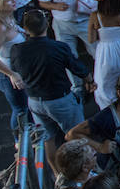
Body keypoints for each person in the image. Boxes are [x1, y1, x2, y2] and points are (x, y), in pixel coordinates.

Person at [11, 10, 92, 158]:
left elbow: (15, 69)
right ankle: (83, 170)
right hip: (60, 100)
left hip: (35, 102)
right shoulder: (59, 47)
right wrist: (90, 80)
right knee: (77, 135)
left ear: (26, 29)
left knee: (48, 139)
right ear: (47, 25)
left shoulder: (17, 50)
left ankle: (56, 173)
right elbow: (77, 68)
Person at [0, 0, 28, 132]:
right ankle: (19, 142)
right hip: (7, 75)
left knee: (25, 107)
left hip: (18, 68)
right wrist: (12, 74)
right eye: (8, 0)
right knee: (20, 110)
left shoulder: (8, 17)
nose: (14, 1)